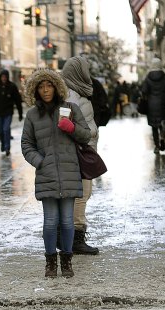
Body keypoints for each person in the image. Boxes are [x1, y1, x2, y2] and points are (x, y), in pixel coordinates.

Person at [20, 68, 90, 279]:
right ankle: (50, 262)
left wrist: (71, 128)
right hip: (47, 175)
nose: (45, 90)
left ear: (56, 87)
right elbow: (26, 144)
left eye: (49, 85)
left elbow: (86, 135)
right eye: (41, 87)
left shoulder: (71, 108)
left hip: (69, 173)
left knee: (68, 222)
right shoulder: (32, 115)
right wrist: (40, 162)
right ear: (35, 90)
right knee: (51, 222)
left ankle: (66, 262)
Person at [61, 56, 101, 256]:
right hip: (77, 152)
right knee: (81, 195)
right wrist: (86, 136)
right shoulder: (70, 97)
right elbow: (64, 125)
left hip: (81, 150)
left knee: (82, 194)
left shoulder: (74, 93)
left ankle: (72, 236)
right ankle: (75, 238)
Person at [141, 57, 165, 154]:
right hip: (163, 104)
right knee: (163, 123)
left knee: (154, 127)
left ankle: (157, 146)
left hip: (151, 105)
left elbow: (144, 91)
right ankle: (162, 139)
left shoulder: (148, 77)